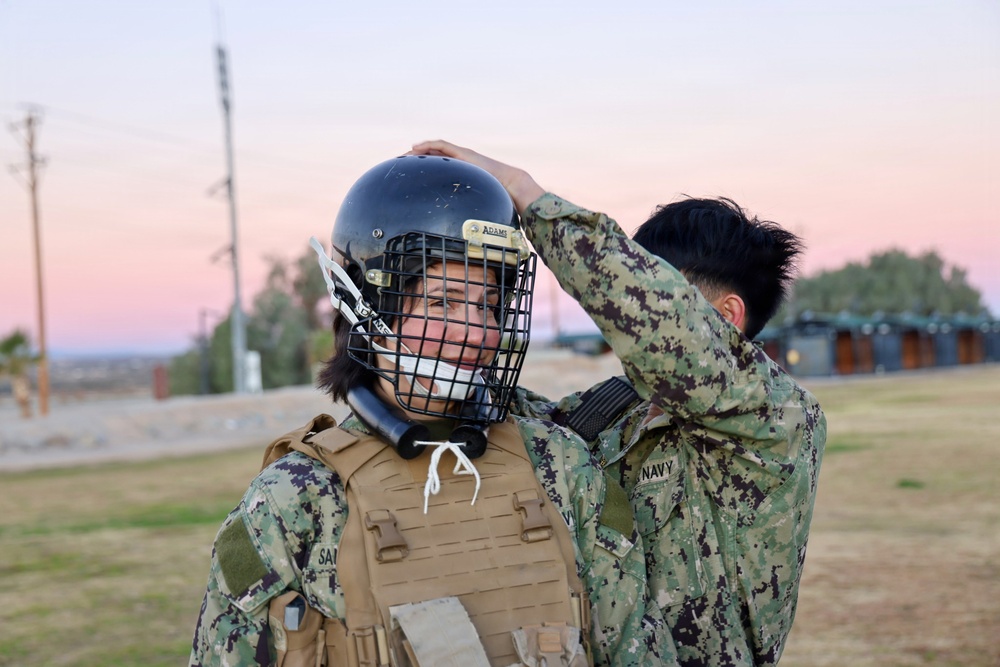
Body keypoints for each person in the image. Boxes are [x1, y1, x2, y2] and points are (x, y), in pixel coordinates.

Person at [189, 155, 673, 666]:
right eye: (444, 303)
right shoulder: (295, 502)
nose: (477, 333)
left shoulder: (562, 465)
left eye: (489, 305)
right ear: (367, 305)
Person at [408, 141, 828, 667]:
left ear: (725, 317)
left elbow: (657, 320)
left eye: (656, 288)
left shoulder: (779, 420)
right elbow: (516, 428)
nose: (623, 318)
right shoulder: (615, 410)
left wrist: (528, 198)